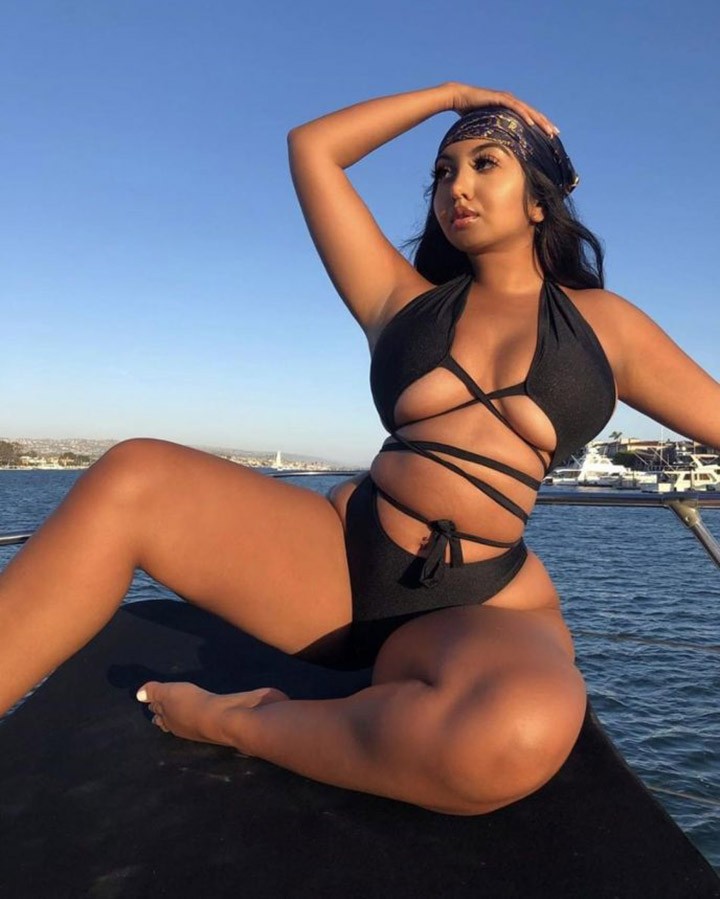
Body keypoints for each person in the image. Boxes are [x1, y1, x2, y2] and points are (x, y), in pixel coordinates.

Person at [2, 83, 718, 817]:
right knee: (133, 474)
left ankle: (240, 722)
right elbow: (312, 149)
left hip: (478, 603)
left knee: (517, 731)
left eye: (485, 163)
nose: (456, 187)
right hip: (341, 563)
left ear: (540, 201)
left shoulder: (604, 327)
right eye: (442, 172)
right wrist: (451, 95)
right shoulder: (401, 302)